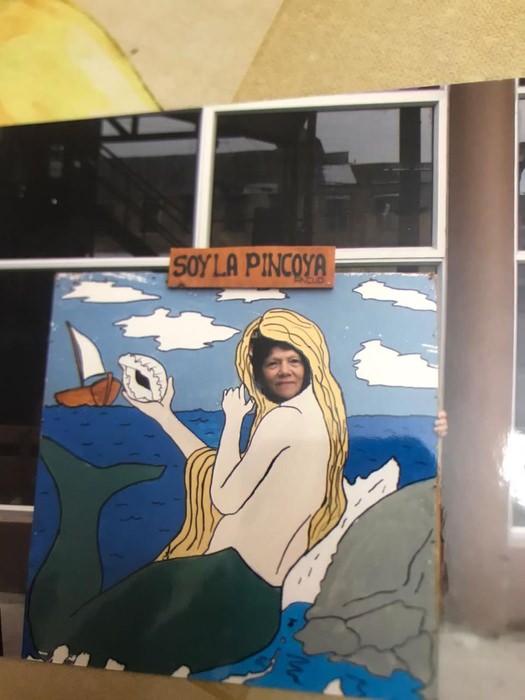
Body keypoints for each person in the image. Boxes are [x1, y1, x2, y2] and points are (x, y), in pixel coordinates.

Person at [29, 308, 348, 675]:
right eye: (273, 363)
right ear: (258, 370)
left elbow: (225, 496)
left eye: (293, 360)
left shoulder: (283, 418)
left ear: (309, 361)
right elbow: (218, 472)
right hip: (258, 611)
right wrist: (163, 414)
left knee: (62, 641)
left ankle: (80, 497)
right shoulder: (321, 425)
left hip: (219, 584)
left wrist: (232, 421)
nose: (284, 370)